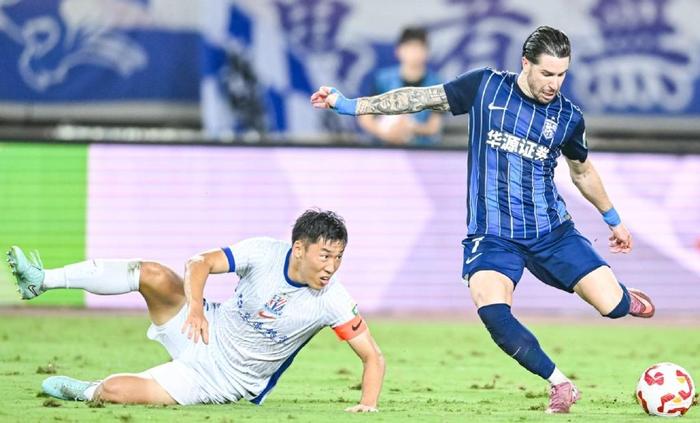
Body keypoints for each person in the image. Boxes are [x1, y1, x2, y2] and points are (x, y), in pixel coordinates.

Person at [310, 25, 655, 414]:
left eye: (562, 75)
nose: (554, 84)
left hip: (551, 232)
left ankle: (624, 298)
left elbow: (583, 172)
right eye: (547, 73)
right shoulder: (485, 87)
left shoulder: (568, 117)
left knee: (611, 306)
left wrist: (613, 219)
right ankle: (559, 383)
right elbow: (419, 98)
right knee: (492, 309)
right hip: (492, 236)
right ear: (525, 63)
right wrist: (349, 105)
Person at [7, 209, 385, 412]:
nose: (332, 267)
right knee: (153, 274)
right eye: (325, 255)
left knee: (114, 390)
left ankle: (87, 390)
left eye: (338, 257)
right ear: (299, 249)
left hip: (221, 379)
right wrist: (197, 311)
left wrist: (367, 405)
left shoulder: (333, 300)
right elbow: (198, 262)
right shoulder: (263, 252)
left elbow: (373, 357)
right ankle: (42, 280)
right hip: (202, 327)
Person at [357, 26, 443, 145]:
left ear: (426, 52)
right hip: (386, 148)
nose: (414, 53)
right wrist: (385, 133)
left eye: (418, 48)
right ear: (398, 51)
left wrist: (410, 127)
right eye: (409, 48)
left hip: (422, 150)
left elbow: (434, 126)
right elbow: (365, 117)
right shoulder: (383, 80)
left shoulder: (435, 84)